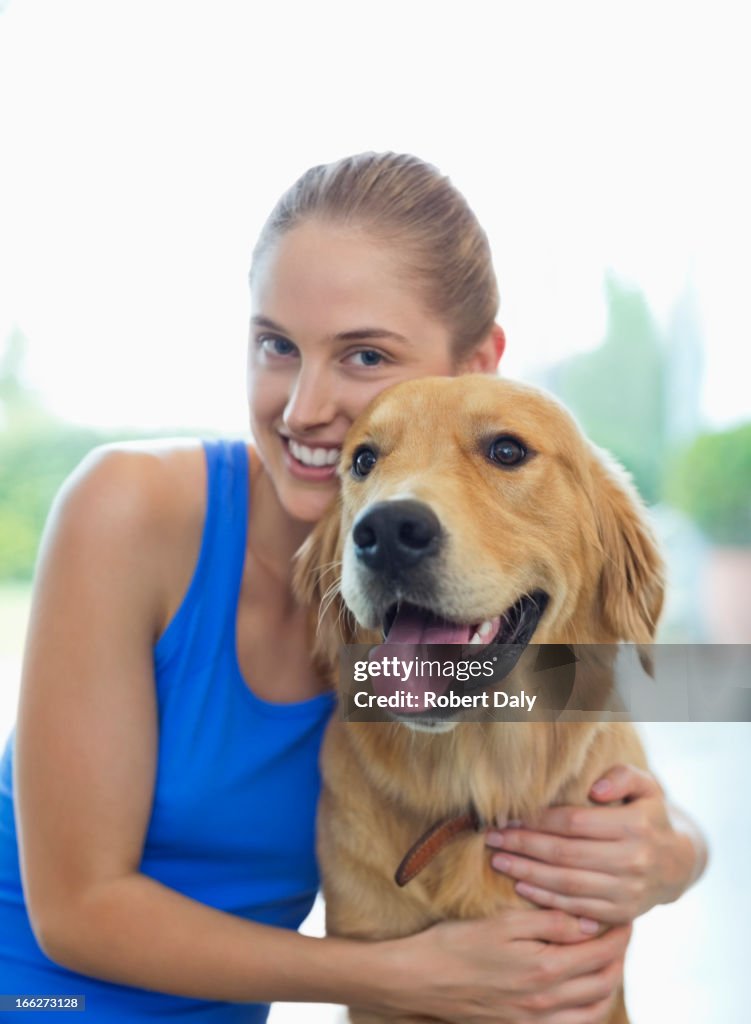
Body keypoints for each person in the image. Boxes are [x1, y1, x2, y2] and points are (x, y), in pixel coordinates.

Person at [0, 152, 707, 1022]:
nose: (302, 408)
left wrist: (677, 851)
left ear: (479, 362)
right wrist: (407, 976)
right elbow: (76, 913)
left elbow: (611, 696)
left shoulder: (450, 611)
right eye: (275, 346)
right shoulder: (128, 508)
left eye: (364, 354)